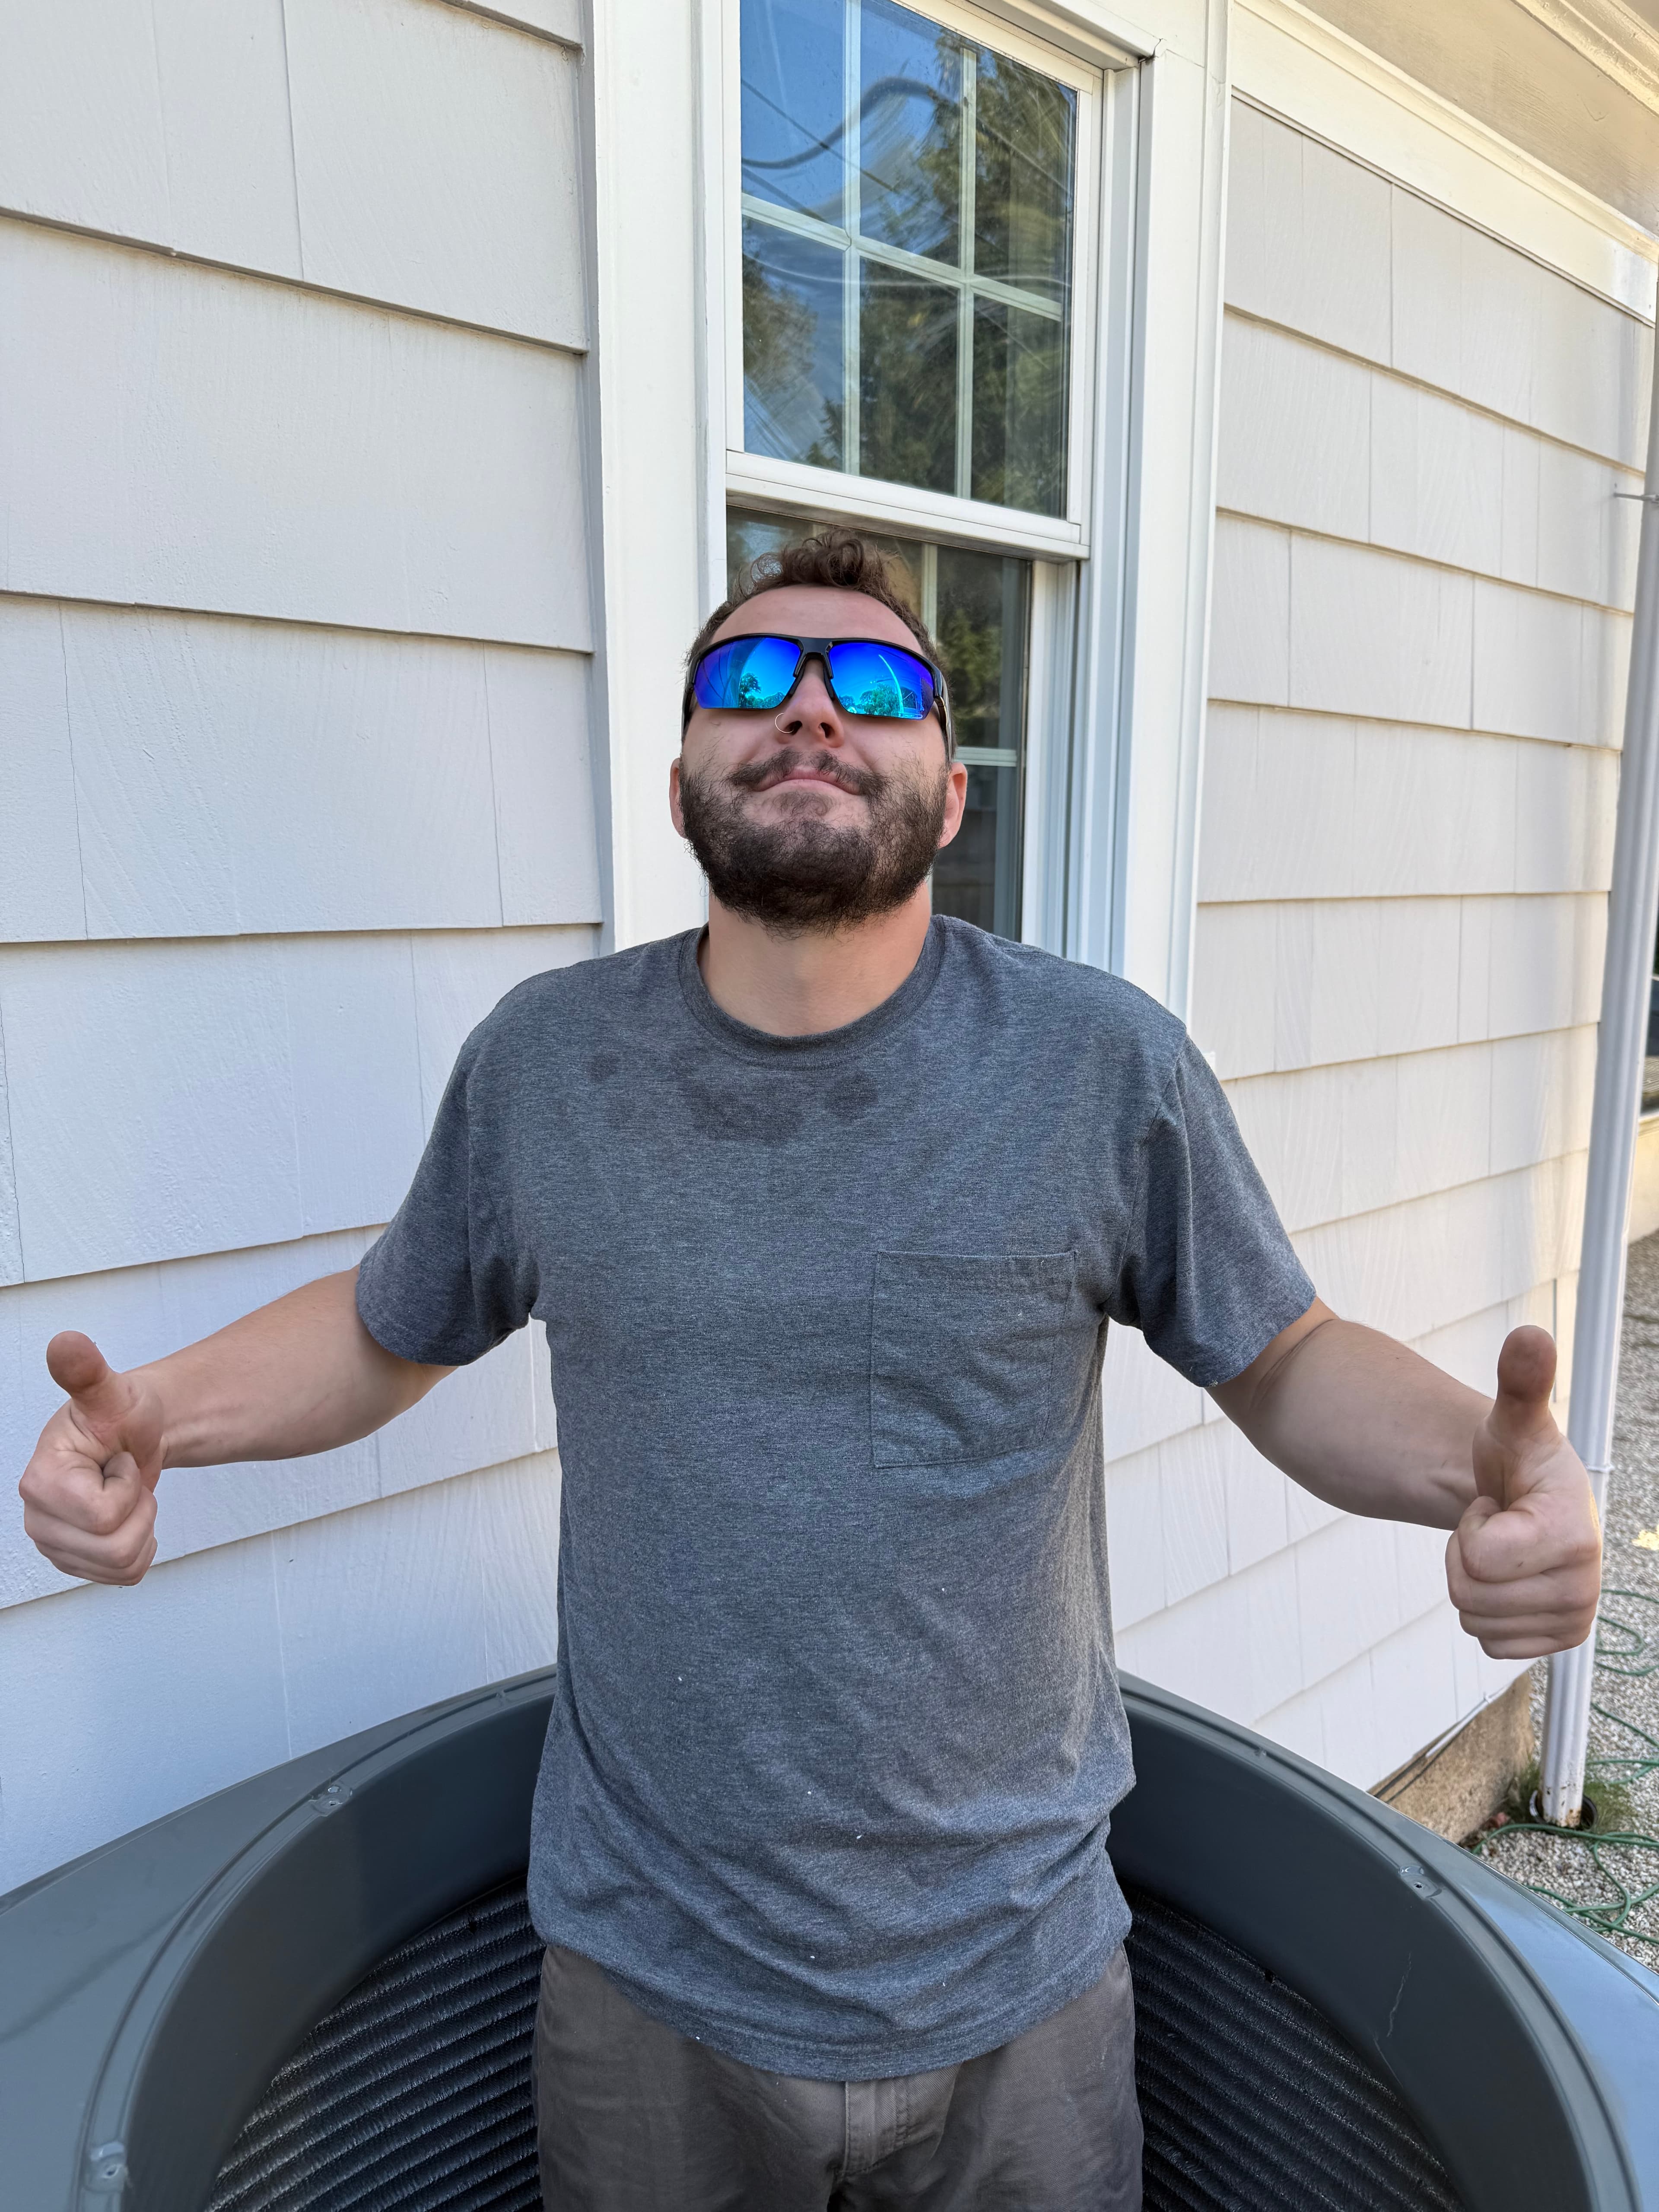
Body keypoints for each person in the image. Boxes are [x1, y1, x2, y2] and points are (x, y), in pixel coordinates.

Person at [19, 529, 1602, 2211]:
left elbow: (1284, 1357)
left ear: (954, 789)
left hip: (1023, 1987)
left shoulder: (1098, 1063)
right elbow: (381, 1329)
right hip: (646, 1989)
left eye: (881, 685)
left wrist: (1485, 1471)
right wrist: (157, 1422)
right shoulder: (547, 1065)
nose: (813, 711)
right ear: (681, 777)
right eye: (755, 675)